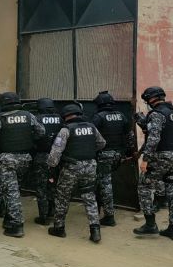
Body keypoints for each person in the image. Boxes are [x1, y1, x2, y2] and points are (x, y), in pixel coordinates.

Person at [0, 92, 45, 237]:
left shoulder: (0, 119)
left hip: (7, 159)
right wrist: (29, 139)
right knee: (13, 189)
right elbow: (41, 131)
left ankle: (17, 226)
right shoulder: (28, 115)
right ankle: (9, 219)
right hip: (25, 158)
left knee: (11, 192)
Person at [47, 102, 106, 243]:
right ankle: (95, 230)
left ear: (65, 116)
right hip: (90, 166)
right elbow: (102, 143)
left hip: (71, 168)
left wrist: (51, 167)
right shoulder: (91, 127)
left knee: (62, 197)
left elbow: (55, 154)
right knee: (89, 197)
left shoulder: (66, 130)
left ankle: (59, 228)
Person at [133, 86, 173, 241]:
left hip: (161, 156)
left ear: (151, 99)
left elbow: (154, 139)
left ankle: (150, 224)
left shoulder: (156, 114)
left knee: (144, 186)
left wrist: (145, 160)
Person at [91, 91, 135, 226]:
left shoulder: (98, 117)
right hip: (118, 155)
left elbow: (91, 137)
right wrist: (128, 152)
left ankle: (109, 216)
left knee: (104, 184)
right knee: (105, 183)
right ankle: (102, 209)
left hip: (104, 155)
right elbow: (130, 135)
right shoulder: (121, 116)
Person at [32, 98, 62, 225]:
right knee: (53, 185)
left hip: (41, 156)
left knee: (41, 187)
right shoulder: (60, 118)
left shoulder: (37, 118)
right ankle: (53, 213)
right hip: (57, 157)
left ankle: (43, 217)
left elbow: (33, 136)